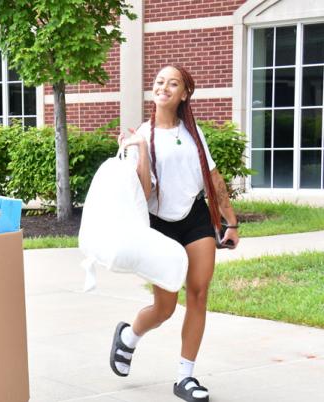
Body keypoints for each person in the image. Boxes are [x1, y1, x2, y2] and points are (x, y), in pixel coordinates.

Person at [112, 65, 240, 402]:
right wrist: (137, 147)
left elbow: (213, 179)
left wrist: (232, 221)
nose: (164, 87)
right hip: (161, 224)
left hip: (195, 219)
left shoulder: (194, 133)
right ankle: (129, 337)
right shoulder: (142, 134)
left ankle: (185, 377)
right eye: (159, 82)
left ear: (184, 93)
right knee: (165, 306)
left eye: (173, 83)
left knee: (198, 293)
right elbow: (144, 190)